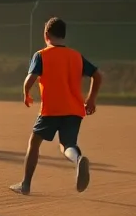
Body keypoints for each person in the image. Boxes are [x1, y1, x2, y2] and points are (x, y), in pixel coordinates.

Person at [11, 17, 102, 196]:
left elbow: (30, 79)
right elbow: (98, 75)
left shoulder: (42, 55)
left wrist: (26, 93)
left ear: (46, 35)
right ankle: (78, 159)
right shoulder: (76, 56)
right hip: (75, 110)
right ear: (64, 35)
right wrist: (91, 99)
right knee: (67, 145)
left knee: (34, 142)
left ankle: (26, 184)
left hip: (51, 109)